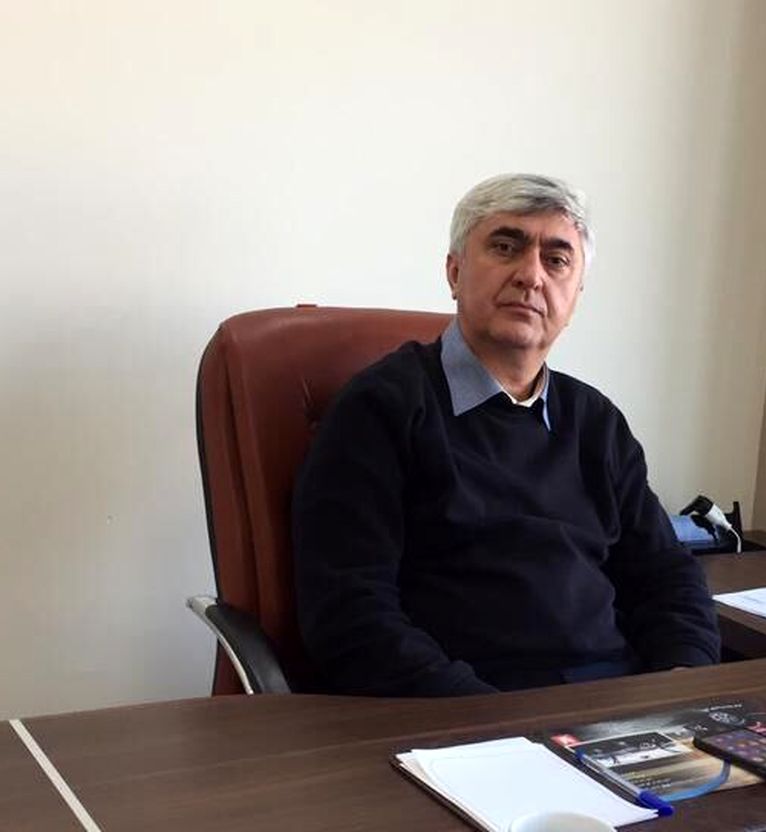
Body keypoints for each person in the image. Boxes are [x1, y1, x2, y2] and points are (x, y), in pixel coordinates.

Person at [292, 173, 720, 696]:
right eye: (505, 247)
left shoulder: (596, 422)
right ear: (454, 272)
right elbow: (351, 614)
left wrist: (681, 683)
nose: (531, 276)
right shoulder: (381, 409)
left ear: (575, 296)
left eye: (556, 259)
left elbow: (667, 576)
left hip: (609, 708)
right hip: (462, 712)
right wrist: (494, 720)